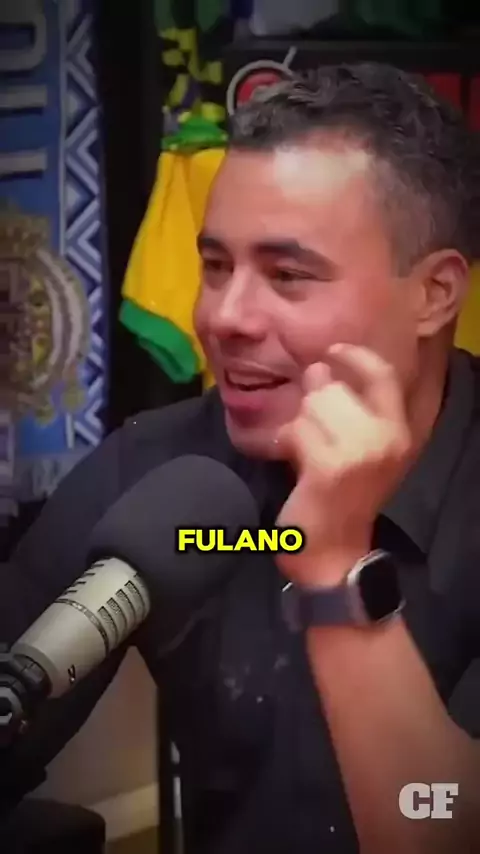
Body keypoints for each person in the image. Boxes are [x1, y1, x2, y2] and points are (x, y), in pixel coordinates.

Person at [2, 62, 480, 854]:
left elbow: (443, 829)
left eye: (287, 275)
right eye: (216, 266)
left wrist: (332, 563)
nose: (222, 317)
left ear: (434, 294)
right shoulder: (157, 470)